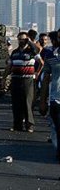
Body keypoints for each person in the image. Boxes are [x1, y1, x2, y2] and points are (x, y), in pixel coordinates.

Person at [2, 32, 41, 133]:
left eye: (23, 39)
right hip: (16, 80)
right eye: (19, 39)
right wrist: (4, 78)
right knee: (16, 104)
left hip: (28, 80)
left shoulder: (31, 52)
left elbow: (40, 60)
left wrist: (37, 73)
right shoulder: (15, 52)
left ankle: (29, 125)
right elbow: (9, 66)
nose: (21, 41)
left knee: (28, 103)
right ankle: (17, 125)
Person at [39, 31, 60, 162]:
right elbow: (46, 79)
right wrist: (42, 101)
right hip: (56, 99)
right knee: (57, 129)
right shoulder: (52, 56)